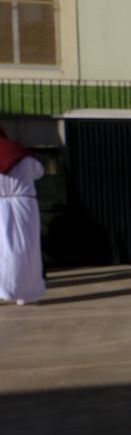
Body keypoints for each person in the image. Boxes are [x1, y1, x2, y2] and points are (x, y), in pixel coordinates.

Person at [0, 125, 46, 305]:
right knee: (28, 249)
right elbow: (39, 171)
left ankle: (4, 290)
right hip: (24, 205)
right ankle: (26, 293)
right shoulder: (19, 152)